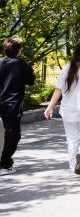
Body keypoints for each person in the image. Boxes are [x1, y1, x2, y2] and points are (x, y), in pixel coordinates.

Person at [44, 41, 80, 174]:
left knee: (72, 139)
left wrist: (50, 106)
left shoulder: (68, 68)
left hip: (68, 110)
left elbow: (58, 90)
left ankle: (73, 165)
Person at [0, 36, 35, 174]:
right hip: (12, 104)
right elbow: (30, 80)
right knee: (13, 134)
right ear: (18, 50)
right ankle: (5, 164)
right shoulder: (20, 63)